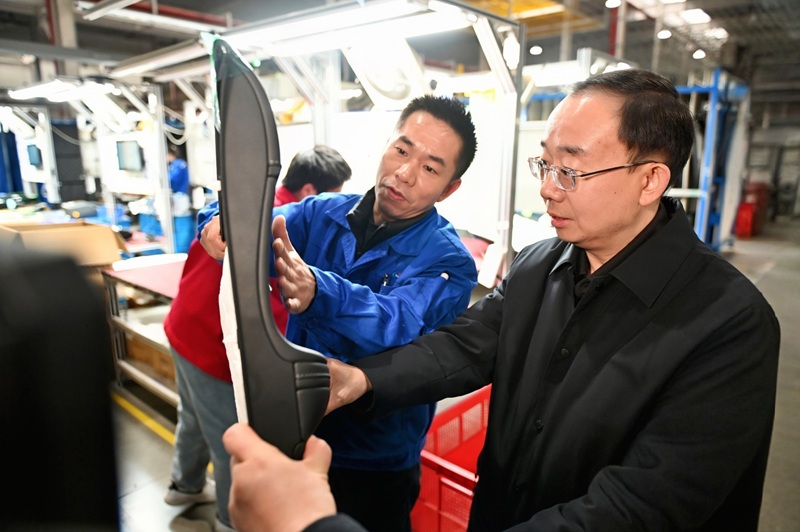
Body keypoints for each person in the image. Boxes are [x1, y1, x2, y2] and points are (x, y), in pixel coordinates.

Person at [224, 69, 781, 532]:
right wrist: (361, 381)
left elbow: (642, 506)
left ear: (650, 180)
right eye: (545, 164)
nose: (547, 188)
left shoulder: (728, 324)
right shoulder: (541, 264)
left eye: (570, 170)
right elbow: (463, 347)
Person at [198, 95, 479, 532]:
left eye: (430, 168)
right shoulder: (321, 213)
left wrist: (319, 291)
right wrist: (218, 222)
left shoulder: (450, 262)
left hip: (375, 457)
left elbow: (399, 323)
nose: (404, 173)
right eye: (401, 150)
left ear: (449, 188)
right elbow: (253, 221)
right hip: (299, 430)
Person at [162, 145, 351, 532]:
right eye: (333, 195)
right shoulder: (282, 228)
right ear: (310, 191)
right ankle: (230, 522)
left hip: (183, 328)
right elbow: (274, 311)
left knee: (193, 416)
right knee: (234, 444)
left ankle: (184, 485)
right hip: (213, 348)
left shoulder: (248, 205)